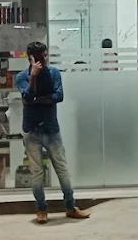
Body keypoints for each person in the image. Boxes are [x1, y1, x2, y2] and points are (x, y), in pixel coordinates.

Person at [15, 42, 88, 224]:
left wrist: (35, 100)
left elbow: (59, 96)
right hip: (31, 129)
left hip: (51, 128)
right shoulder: (22, 77)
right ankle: (41, 209)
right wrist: (33, 77)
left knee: (62, 169)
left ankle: (70, 206)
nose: (44, 60)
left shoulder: (54, 73)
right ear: (31, 58)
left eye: (45, 55)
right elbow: (27, 96)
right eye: (40, 57)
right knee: (37, 172)